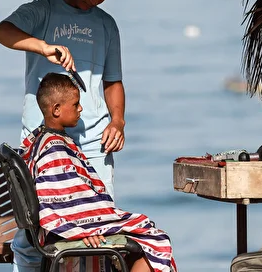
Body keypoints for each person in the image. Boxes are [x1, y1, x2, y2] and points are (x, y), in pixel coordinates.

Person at [0, 0, 130, 271]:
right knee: (32, 238)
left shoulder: (107, 25)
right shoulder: (42, 11)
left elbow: (113, 81)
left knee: (100, 235)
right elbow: (2, 32)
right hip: (43, 146)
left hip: (93, 146)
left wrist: (118, 121)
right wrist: (43, 47)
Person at [17, 73, 177, 272]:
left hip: (67, 228)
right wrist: (83, 230)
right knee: (156, 240)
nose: (80, 109)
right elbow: (59, 205)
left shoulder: (42, 140)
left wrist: (87, 225)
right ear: (56, 109)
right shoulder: (54, 150)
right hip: (65, 232)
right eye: (75, 104)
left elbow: (67, 200)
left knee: (143, 231)